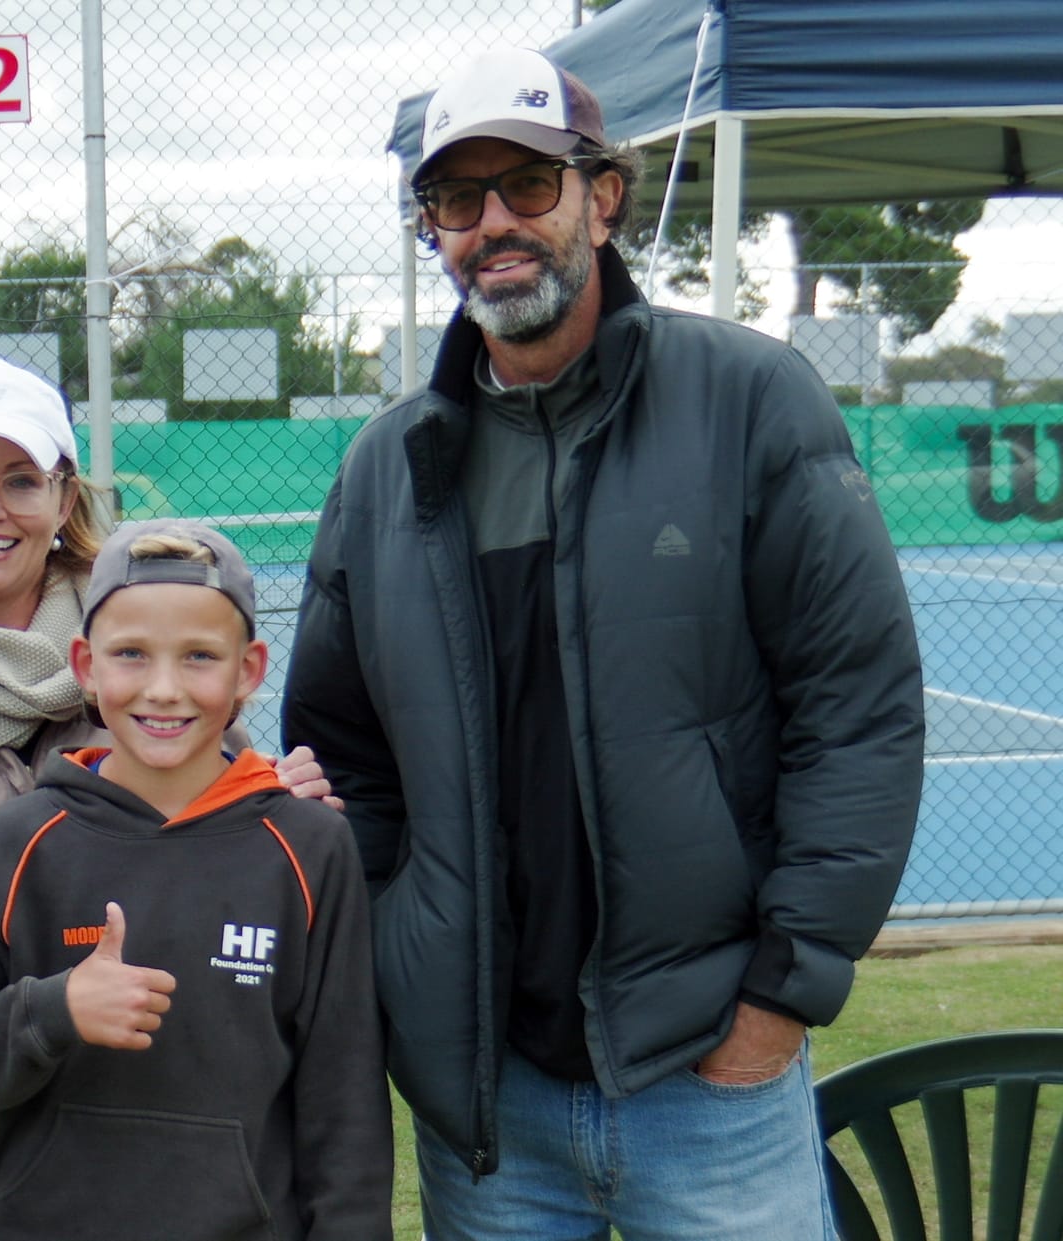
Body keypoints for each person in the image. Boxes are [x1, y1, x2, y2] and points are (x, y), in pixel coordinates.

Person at [284, 47, 924, 1240]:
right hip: (485, 1107)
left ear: (602, 194)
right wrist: (406, 970)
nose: (491, 225)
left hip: (709, 1079)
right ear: (430, 230)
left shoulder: (750, 399)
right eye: (454, 200)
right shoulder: (384, 468)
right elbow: (339, 750)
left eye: (525, 185)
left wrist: (778, 997)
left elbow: (857, 712)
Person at [0, 357, 338, 1241]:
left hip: (153, 1153)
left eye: (21, 479)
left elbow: (238, 872)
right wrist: (25, 988)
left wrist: (283, 812)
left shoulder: (148, 656)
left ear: (63, 501)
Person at [0, 518, 393, 1241]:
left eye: (199, 656)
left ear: (249, 669)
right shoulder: (21, 837)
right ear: (86, 664)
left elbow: (344, 1101)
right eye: (131, 654)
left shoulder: (309, 846)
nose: (164, 689)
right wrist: (54, 1008)